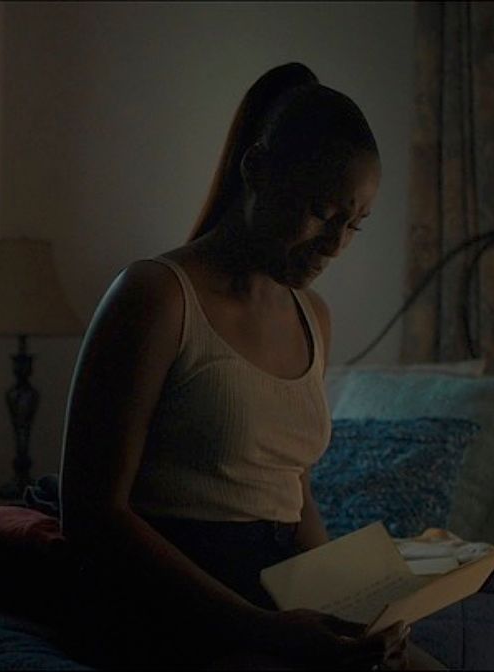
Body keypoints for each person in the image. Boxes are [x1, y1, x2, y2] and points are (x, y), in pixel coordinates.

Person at [57, 63, 421, 670]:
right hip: (171, 598)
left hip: (276, 592)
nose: (335, 245)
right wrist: (262, 630)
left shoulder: (314, 318)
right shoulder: (157, 296)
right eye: (322, 212)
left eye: (353, 225)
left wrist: (352, 609)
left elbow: (291, 488)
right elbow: (94, 514)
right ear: (256, 170)